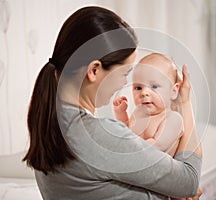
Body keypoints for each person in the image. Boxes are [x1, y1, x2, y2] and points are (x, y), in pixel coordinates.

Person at [23, 6, 202, 200]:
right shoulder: (98, 137)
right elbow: (189, 182)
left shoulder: (50, 125)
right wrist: (184, 101)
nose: (125, 83)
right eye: (124, 74)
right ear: (94, 70)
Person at [113, 53, 183, 157]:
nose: (144, 93)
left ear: (173, 91)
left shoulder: (173, 118)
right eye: (138, 88)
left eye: (154, 86)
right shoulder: (138, 113)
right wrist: (121, 114)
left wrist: (127, 147)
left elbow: (158, 146)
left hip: (159, 171)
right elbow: (125, 133)